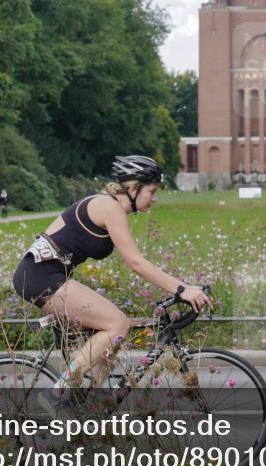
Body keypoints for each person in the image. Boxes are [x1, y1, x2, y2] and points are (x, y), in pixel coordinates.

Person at [12, 155, 212, 399]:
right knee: (118, 324)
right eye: (152, 190)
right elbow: (136, 263)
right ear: (133, 188)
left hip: (49, 276)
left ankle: (88, 404)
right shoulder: (109, 207)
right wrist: (182, 289)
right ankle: (59, 393)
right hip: (40, 276)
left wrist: (180, 287)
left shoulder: (112, 208)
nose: (155, 197)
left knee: (112, 340)